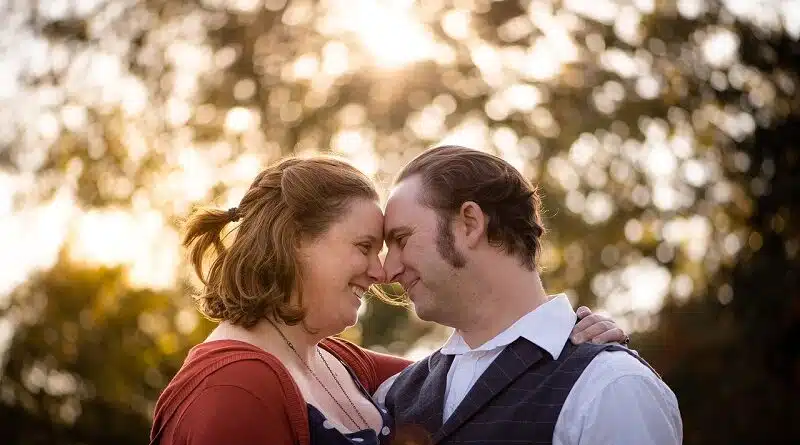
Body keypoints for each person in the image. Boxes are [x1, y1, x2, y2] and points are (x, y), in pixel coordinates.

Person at [149, 155, 627, 445]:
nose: (381, 272)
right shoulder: (233, 389)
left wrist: (574, 335)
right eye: (365, 247)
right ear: (294, 242)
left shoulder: (349, 367)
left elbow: (484, 374)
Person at [375, 145, 682, 445]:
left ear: (470, 224)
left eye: (402, 239)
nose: (387, 271)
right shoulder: (389, 398)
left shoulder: (612, 386)